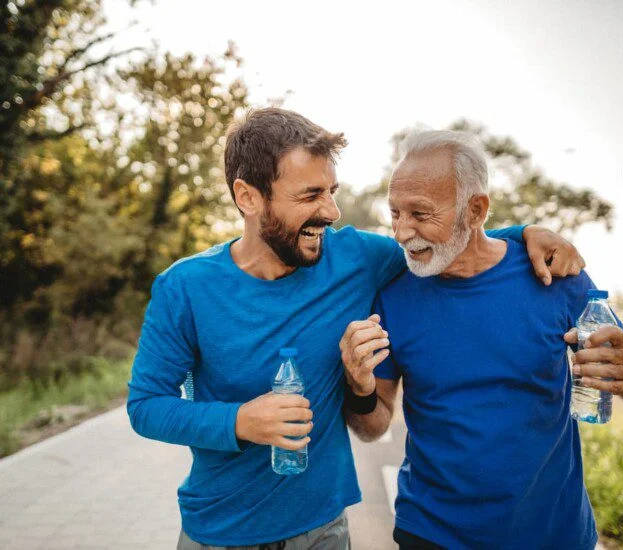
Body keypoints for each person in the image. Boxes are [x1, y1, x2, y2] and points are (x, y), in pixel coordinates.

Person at [127, 108, 585, 550]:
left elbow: (450, 240)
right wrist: (238, 421)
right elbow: (146, 406)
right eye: (310, 196)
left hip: (321, 529)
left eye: (332, 190)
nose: (331, 211)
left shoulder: (356, 260)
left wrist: (526, 233)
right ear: (248, 197)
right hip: (217, 528)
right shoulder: (184, 288)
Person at [340, 130, 623, 550]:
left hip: (555, 535)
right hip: (431, 534)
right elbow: (373, 427)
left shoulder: (554, 276)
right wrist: (359, 387)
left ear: (476, 210)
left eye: (421, 214)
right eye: (395, 213)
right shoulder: (392, 295)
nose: (403, 232)